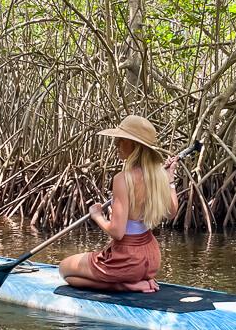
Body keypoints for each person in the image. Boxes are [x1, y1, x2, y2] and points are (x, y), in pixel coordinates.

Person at [58, 115, 178, 293]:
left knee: (65, 270)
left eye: (121, 140)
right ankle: (132, 280)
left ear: (134, 146)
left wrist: (96, 215)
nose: (116, 144)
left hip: (127, 260)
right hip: (151, 259)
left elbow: (117, 232)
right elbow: (172, 213)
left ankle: (122, 285)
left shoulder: (123, 179)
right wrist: (170, 180)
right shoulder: (159, 176)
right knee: (75, 271)